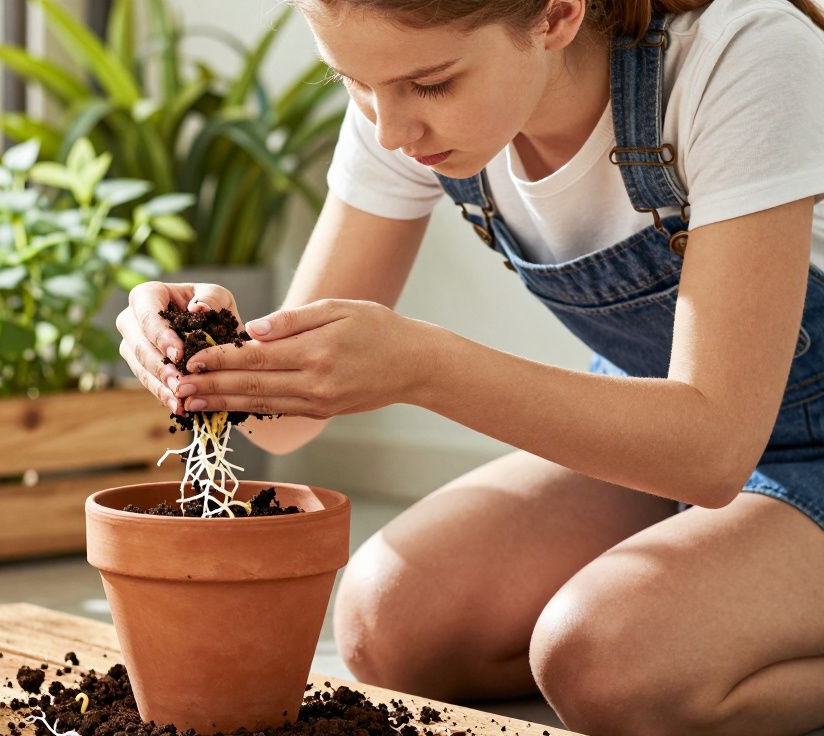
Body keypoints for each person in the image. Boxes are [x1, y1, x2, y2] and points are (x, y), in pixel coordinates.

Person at [115, 1, 824, 733]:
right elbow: (291, 422)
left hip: (741, 444)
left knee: (604, 658)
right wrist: (210, 343)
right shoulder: (398, 109)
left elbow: (711, 451)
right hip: (669, 441)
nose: (390, 130)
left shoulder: (744, 54)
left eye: (432, 85)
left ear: (556, 15)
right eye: (353, 83)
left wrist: (421, 367)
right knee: (386, 617)